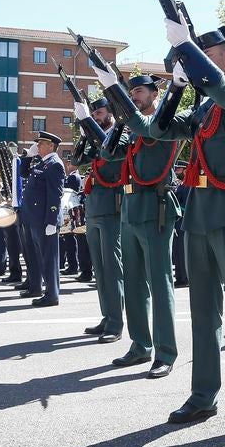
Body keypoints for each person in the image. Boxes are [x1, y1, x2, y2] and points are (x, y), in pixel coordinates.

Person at [111, 19, 225, 443]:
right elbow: (154, 129)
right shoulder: (203, 106)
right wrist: (120, 88)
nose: (195, 60)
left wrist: (188, 51)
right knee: (203, 314)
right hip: (198, 214)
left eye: (203, 53)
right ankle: (203, 394)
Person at [98, 74, 182, 377]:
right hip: (131, 207)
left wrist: (128, 118)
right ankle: (140, 345)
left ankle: (166, 351)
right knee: (133, 283)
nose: (133, 96)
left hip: (156, 206)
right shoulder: (131, 128)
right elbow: (107, 153)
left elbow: (154, 135)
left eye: (138, 91)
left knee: (159, 284)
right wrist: (119, 121)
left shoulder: (164, 119)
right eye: (130, 92)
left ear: (153, 93)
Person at [72, 100, 127, 342]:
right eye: (92, 112)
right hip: (95, 207)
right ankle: (107, 315)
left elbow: (110, 152)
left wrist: (91, 130)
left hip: (112, 207)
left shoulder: (118, 134)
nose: (95, 115)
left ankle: (116, 322)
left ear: (110, 113)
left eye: (99, 112)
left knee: (112, 268)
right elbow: (76, 160)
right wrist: (84, 135)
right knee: (100, 268)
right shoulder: (96, 137)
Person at [20, 132, 65, 307]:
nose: (37, 146)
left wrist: (52, 221)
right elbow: (24, 173)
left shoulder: (55, 165)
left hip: (45, 220)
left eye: (41, 144)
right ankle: (48, 292)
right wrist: (28, 156)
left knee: (48, 258)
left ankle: (52, 294)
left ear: (51, 146)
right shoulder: (42, 163)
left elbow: (56, 194)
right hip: (35, 218)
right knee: (41, 257)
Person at [172, 159, 190, 286]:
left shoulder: (188, 185)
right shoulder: (180, 185)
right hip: (177, 222)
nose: (176, 171)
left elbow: (187, 205)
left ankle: (184, 278)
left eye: (178, 169)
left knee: (183, 252)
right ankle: (179, 277)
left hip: (184, 220)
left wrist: (177, 208)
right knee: (178, 252)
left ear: (185, 170)